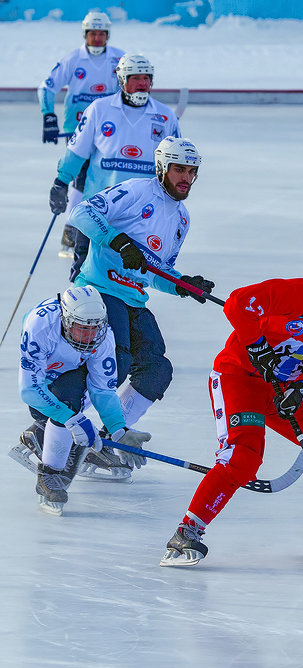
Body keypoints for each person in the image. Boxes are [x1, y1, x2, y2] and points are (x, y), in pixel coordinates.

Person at [160, 236, 303, 567]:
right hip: (240, 379)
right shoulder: (296, 293)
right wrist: (256, 346)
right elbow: (238, 304)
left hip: (284, 388)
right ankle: (186, 534)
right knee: (243, 456)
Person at [64, 136, 214, 477]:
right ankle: (59, 429)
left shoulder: (181, 219)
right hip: (99, 290)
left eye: (191, 172)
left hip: (132, 297)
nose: (186, 178)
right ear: (161, 168)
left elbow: (154, 272)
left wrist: (182, 284)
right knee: (114, 362)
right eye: (179, 169)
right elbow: (82, 212)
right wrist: (118, 241)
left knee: (156, 369)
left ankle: (106, 441)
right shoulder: (136, 191)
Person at [13, 285, 151, 515]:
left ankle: (53, 442)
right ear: (66, 321)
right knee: (67, 406)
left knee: (77, 394)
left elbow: (103, 390)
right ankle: (49, 473)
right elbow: (29, 389)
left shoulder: (103, 336)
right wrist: (70, 418)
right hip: (43, 385)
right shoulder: (39, 326)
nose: (89, 337)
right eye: (81, 329)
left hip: (73, 377)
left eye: (94, 329)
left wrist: (119, 430)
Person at [48, 53, 180, 277]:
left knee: (131, 280)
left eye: (146, 78)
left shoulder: (165, 116)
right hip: (98, 210)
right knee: (83, 277)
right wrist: (61, 182)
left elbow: (173, 166)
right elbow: (76, 152)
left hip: (141, 215)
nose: (142, 84)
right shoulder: (99, 109)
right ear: (121, 80)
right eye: (135, 78)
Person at [38, 12, 124, 256]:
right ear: (85, 34)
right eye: (92, 33)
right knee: (80, 177)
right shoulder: (73, 59)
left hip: (109, 131)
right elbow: (46, 87)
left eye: (101, 34)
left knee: (102, 178)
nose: (97, 38)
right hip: (78, 129)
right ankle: (71, 231)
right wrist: (48, 116)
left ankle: (94, 229)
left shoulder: (119, 58)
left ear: (107, 35)